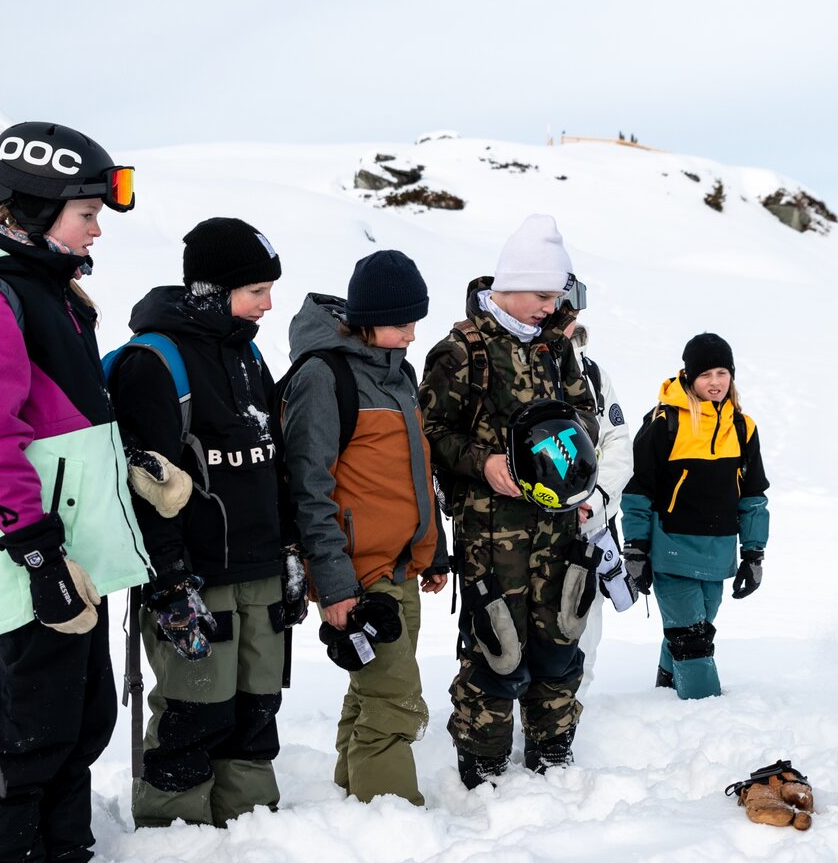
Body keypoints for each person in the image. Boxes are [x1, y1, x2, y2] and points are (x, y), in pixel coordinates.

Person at [0, 121, 151, 861]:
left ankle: (63, 849)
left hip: (72, 556)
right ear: (35, 208)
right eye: (87, 214)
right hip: (30, 563)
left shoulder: (56, 293)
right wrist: (35, 552)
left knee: (79, 726)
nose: (96, 232)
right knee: (24, 735)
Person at [110, 217, 291, 827]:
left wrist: (288, 550)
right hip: (194, 576)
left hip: (260, 568)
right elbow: (144, 486)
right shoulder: (154, 362)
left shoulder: (249, 353)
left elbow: (274, 461)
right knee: (195, 711)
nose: (269, 304)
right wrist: (168, 580)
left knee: (257, 706)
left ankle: (249, 825)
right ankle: (173, 831)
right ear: (214, 290)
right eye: (257, 291)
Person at [420, 213, 600, 789]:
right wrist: (484, 463)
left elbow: (586, 416)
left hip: (558, 521)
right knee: (497, 645)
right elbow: (429, 433)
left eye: (556, 296)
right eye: (542, 295)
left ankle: (553, 752)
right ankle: (485, 761)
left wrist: (574, 471)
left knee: (561, 634)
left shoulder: (556, 347)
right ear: (510, 285)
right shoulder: (461, 351)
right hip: (490, 531)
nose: (550, 306)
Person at [280, 250, 449, 805]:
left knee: (371, 691)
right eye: (402, 322)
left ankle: (353, 802)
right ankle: (392, 817)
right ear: (367, 317)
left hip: (402, 565)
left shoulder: (399, 374)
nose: (412, 333)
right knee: (397, 698)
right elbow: (309, 486)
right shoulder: (322, 376)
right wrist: (333, 585)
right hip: (358, 573)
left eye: (415, 320)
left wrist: (434, 548)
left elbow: (416, 472)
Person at [619, 333, 769, 700]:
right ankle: (705, 711)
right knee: (692, 639)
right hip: (671, 547)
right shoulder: (663, 423)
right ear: (688, 377)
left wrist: (753, 554)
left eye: (722, 372)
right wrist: (636, 549)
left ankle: (667, 692)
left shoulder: (742, 427)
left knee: (697, 628)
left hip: (719, 552)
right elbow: (636, 491)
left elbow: (753, 498)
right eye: (705, 375)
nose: (715, 382)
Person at [559, 285, 633, 696]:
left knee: (584, 633)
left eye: (571, 310)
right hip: (527, 532)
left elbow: (619, 445)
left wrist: (592, 499)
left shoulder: (595, 375)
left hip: (590, 531)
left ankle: (570, 725)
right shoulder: (516, 371)